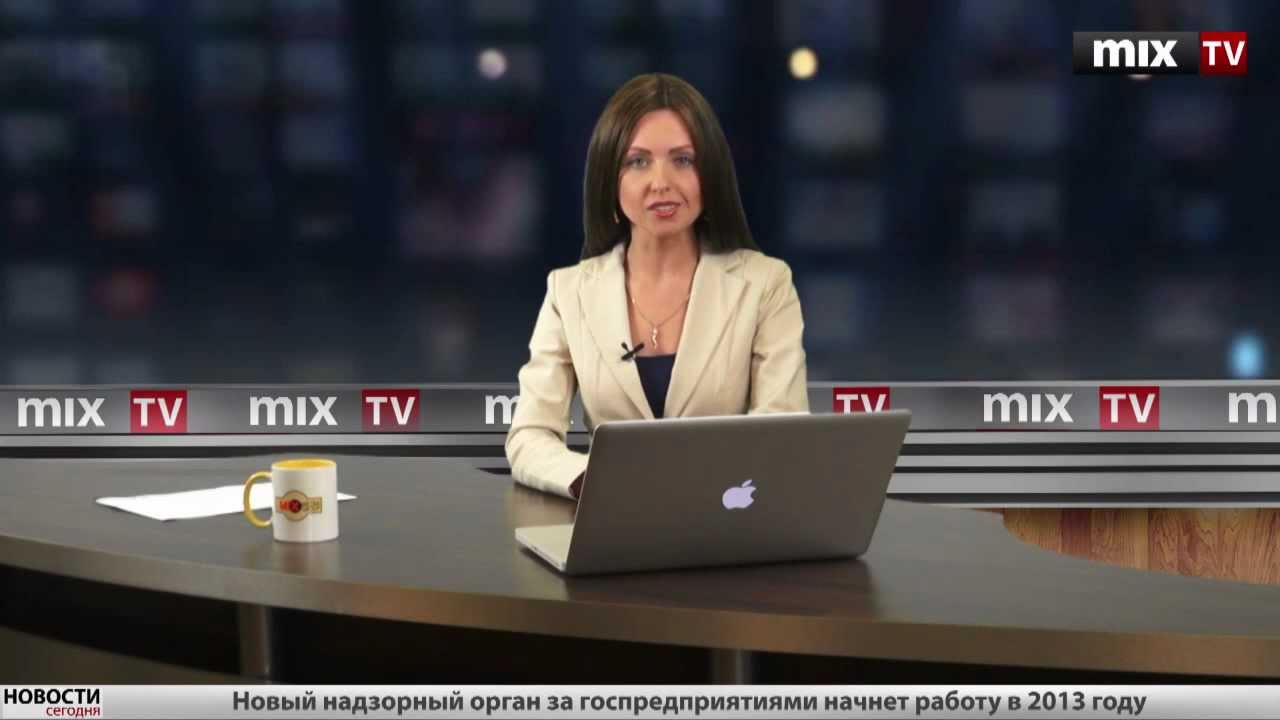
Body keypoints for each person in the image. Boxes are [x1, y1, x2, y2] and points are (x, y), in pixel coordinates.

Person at [505, 73, 809, 499]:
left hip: (727, 516)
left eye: (683, 160)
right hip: (612, 518)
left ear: (710, 173)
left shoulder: (765, 285)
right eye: (638, 162)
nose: (661, 182)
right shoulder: (568, 293)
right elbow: (529, 436)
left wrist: (708, 488)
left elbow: (782, 430)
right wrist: (599, 481)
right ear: (610, 177)